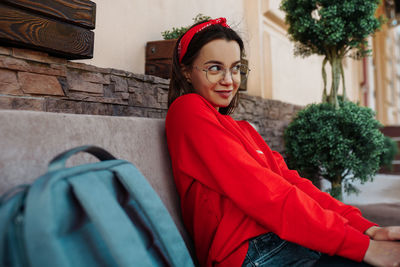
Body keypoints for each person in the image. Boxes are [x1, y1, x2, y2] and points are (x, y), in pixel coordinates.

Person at [165, 17, 400, 267]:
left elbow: (293, 184)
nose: (229, 79)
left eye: (235, 68)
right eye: (214, 68)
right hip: (250, 253)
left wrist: (367, 230)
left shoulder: (243, 130)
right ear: (187, 71)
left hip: (283, 240)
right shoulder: (187, 110)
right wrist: (363, 248)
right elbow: (265, 194)